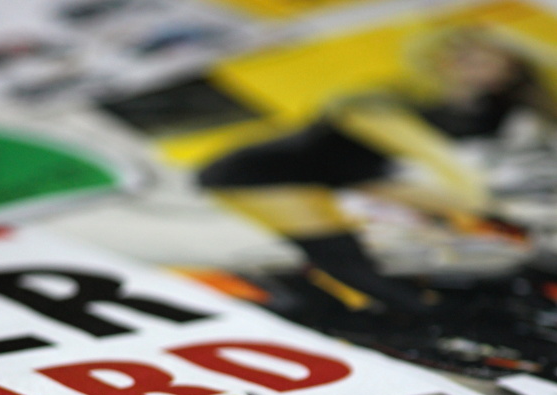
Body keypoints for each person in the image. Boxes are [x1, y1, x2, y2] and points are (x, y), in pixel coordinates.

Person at [197, 26, 557, 318]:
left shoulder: (488, 110)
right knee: (342, 253)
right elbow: (432, 156)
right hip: (262, 173)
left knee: (499, 223)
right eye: (457, 55)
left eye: (481, 58)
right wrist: (474, 198)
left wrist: (486, 208)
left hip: (351, 173)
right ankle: (403, 313)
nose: (465, 65)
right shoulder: (390, 98)